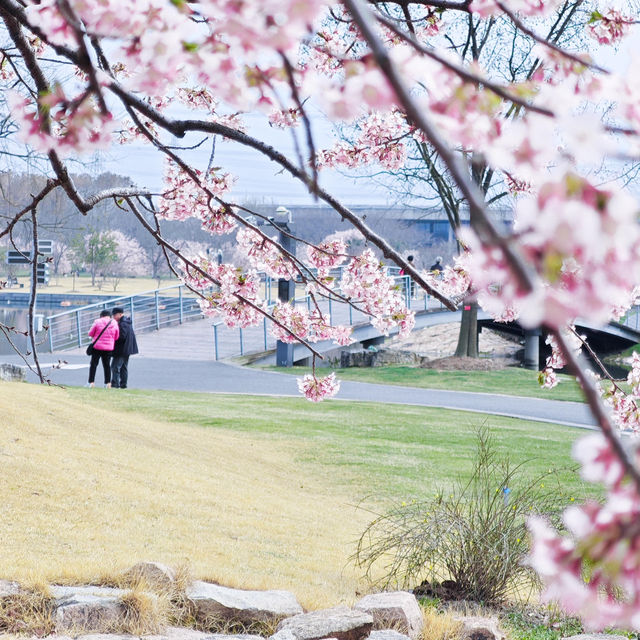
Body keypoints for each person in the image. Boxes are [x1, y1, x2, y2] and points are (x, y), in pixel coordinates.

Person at [87, 309, 119, 388]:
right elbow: (116, 336)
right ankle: (107, 383)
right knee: (107, 365)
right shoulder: (114, 322)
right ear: (110, 316)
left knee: (93, 365)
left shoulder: (97, 321)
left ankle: (91, 382)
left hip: (97, 347)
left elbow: (90, 333)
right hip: (108, 348)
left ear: (101, 315)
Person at [110, 306, 139, 389]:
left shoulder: (123, 323)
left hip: (122, 349)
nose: (113, 317)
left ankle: (115, 385)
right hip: (127, 349)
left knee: (115, 367)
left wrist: (113, 338)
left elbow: (121, 336)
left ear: (119, 314)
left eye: (114, 315)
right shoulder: (126, 322)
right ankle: (123, 385)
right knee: (123, 367)